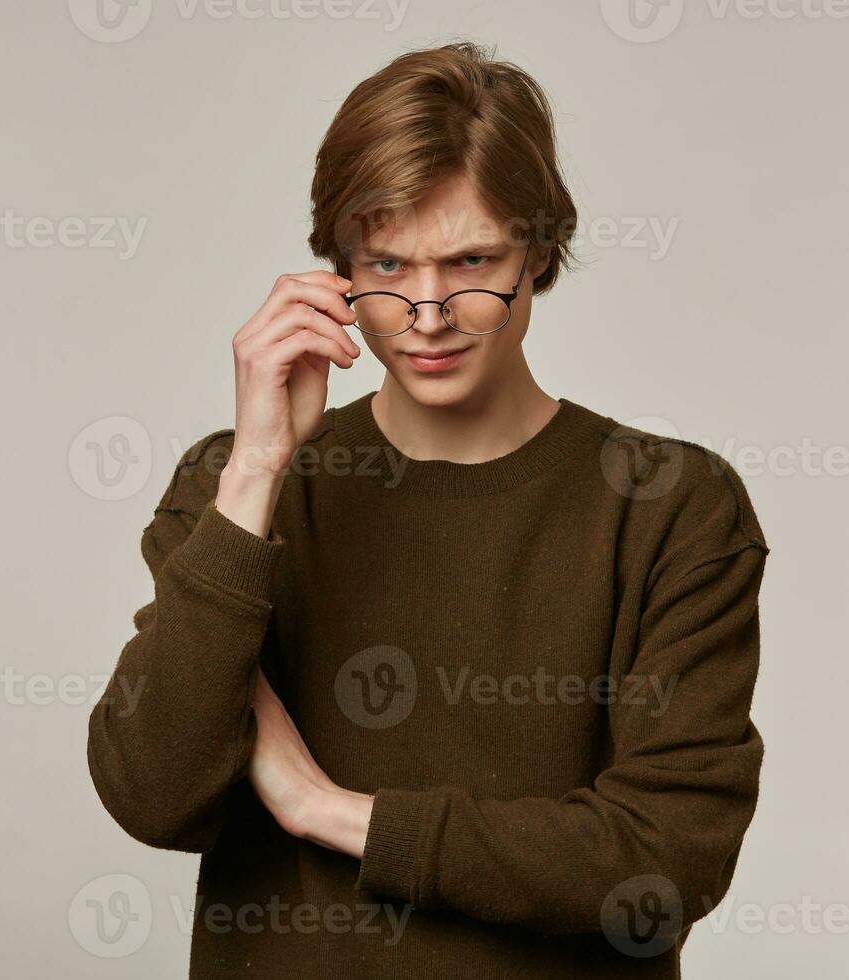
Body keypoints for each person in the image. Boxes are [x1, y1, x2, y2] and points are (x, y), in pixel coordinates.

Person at [87, 40, 770, 979]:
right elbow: (154, 794)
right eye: (387, 266)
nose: (428, 311)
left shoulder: (671, 508)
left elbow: (665, 862)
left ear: (538, 253)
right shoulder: (233, 490)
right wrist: (256, 469)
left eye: (472, 260)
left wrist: (324, 809)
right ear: (337, 271)